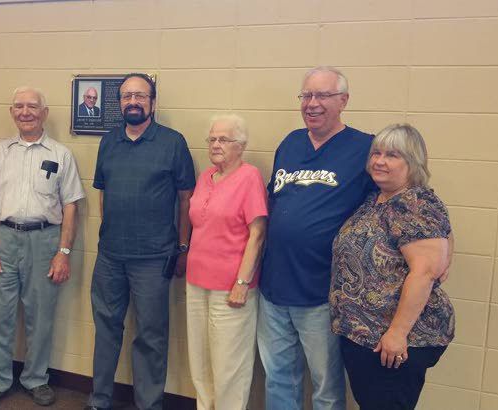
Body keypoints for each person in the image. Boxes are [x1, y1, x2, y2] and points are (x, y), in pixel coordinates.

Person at [257, 66, 373, 410]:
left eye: (322, 95)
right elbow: (273, 201)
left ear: (344, 101)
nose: (312, 103)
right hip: (274, 287)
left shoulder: (365, 147)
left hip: (322, 291)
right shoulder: (290, 143)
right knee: (278, 376)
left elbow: (397, 203)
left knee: (325, 384)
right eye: (306, 95)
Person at [86, 73, 196, 410]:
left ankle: (148, 404)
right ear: (119, 102)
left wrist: (182, 247)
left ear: (152, 101)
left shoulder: (172, 142)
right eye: (126, 96)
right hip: (110, 257)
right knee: (106, 330)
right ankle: (99, 400)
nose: (132, 101)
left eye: (140, 95)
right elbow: (104, 194)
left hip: (154, 258)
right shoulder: (109, 141)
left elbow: (186, 200)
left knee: (151, 335)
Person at [0, 87, 85, 409]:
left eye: (33, 106)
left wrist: (63, 253)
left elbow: (71, 207)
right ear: (12, 112)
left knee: (41, 315)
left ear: (44, 113)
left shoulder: (61, 154)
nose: (26, 112)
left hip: (44, 240)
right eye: (19, 106)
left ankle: (36, 379)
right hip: (2, 239)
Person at [330, 123, 454, 410]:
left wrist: (397, 333)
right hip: (365, 335)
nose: (379, 161)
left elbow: (423, 271)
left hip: (393, 341)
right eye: (377, 153)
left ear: (413, 163)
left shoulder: (415, 204)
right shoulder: (378, 198)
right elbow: (443, 236)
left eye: (392, 155)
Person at [186, 114, 268, 410]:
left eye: (224, 139)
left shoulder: (250, 177)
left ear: (241, 146)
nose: (216, 145)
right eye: (212, 139)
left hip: (231, 287)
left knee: (229, 365)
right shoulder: (205, 177)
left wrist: (242, 282)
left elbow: (257, 234)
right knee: (201, 361)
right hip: (196, 283)